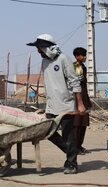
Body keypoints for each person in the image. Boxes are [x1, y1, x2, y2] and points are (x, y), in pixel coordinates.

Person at [27, 34, 86, 174]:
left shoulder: (63, 59)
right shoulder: (44, 62)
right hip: (51, 106)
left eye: (39, 48)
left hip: (65, 105)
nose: (38, 51)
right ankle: (71, 151)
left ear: (47, 48)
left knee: (68, 135)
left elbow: (74, 82)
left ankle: (72, 163)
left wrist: (80, 104)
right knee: (48, 133)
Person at [73, 47, 92, 155]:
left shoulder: (82, 67)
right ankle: (75, 147)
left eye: (85, 55)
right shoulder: (77, 67)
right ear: (77, 56)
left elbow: (83, 85)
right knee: (77, 123)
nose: (85, 57)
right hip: (78, 99)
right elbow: (77, 85)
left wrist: (87, 100)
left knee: (83, 123)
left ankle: (79, 145)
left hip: (84, 97)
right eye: (83, 55)